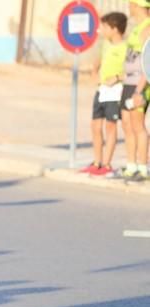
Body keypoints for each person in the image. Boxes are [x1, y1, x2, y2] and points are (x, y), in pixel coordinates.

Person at [79, 12, 127, 177]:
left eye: (105, 27)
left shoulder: (125, 47)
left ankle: (107, 164)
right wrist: (94, 71)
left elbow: (130, 71)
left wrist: (116, 78)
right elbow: (99, 58)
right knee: (95, 126)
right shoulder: (105, 44)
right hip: (101, 90)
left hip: (115, 92)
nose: (102, 30)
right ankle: (96, 162)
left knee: (110, 126)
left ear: (115, 29)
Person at [120, 0, 150, 182]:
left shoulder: (148, 28)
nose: (129, 7)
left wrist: (140, 89)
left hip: (140, 83)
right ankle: (131, 165)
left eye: (131, 4)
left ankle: (142, 166)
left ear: (139, 6)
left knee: (138, 126)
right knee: (127, 124)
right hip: (128, 81)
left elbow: (149, 61)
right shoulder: (137, 27)